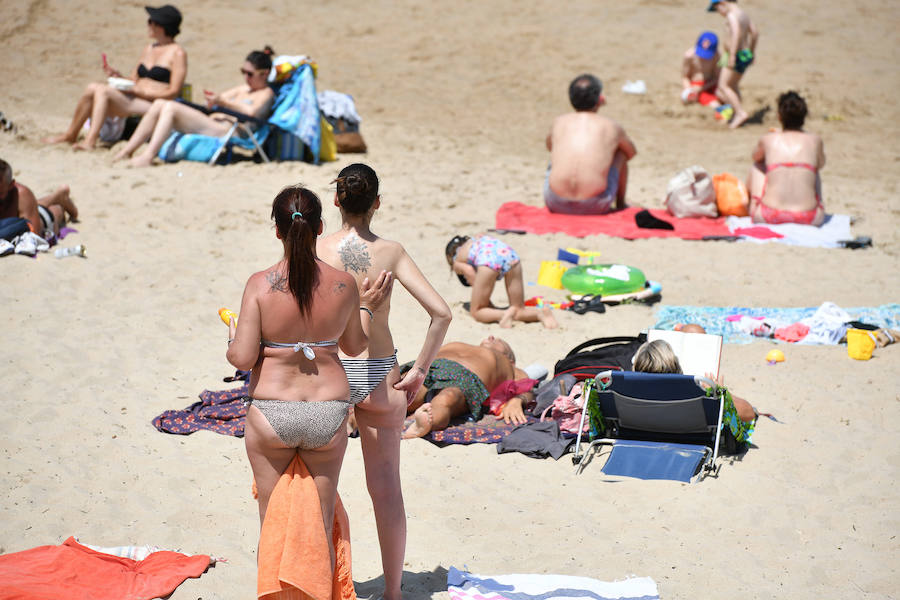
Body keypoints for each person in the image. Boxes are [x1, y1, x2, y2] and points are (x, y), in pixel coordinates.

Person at [226, 185, 391, 575]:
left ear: (278, 231)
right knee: (320, 525)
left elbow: (243, 357)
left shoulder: (260, 284)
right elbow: (353, 346)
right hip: (328, 412)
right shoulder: (342, 284)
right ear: (319, 226)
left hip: (272, 411)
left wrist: (233, 335)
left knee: (272, 524)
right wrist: (367, 307)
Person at [316, 163, 451, 600]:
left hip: (333, 368)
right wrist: (420, 372)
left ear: (336, 200)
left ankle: (322, 586)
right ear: (376, 203)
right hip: (378, 371)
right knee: (386, 487)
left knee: (323, 488)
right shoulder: (390, 252)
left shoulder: (317, 248)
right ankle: (393, 592)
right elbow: (442, 313)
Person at [43, 5, 187, 150]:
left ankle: (90, 141)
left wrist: (141, 93)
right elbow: (134, 80)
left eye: (151, 21)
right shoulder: (149, 48)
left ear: (161, 26)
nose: (148, 25)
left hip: (153, 103)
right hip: (134, 97)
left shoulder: (177, 53)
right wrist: (119, 77)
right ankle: (71, 134)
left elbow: (173, 91)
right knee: (92, 87)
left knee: (103, 91)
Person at [113, 47, 275, 167]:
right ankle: (126, 151)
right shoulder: (243, 89)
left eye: (250, 74)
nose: (245, 77)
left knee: (170, 107)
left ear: (265, 73)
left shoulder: (266, 94)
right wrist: (213, 101)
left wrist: (223, 103)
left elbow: (252, 113)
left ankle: (148, 156)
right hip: (211, 122)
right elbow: (220, 99)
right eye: (243, 72)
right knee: (160, 104)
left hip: (229, 131)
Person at [403, 336, 534, 439]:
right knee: (403, 388)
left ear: (510, 358)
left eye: (500, 341)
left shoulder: (509, 365)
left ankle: (426, 421)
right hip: (429, 367)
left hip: (465, 377)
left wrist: (518, 400)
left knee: (447, 397)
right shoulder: (463, 346)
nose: (491, 336)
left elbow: (526, 387)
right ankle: (388, 407)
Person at [544, 74, 637, 214]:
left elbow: (549, 146)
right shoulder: (611, 126)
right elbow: (631, 153)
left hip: (555, 203)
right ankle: (621, 203)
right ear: (600, 99)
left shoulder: (559, 122)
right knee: (621, 152)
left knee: (558, 150)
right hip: (594, 205)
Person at [445, 234, 557, 329]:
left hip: (489, 260)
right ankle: (540, 313)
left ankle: (503, 315)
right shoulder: (478, 238)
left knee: (477, 312)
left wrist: (480, 298)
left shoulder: (457, 260)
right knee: (518, 309)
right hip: (510, 256)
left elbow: (469, 272)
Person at [746, 91, 826, 226]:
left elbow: (755, 156)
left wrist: (775, 135)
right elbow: (820, 164)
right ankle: (815, 204)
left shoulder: (768, 139)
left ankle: (755, 202)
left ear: (779, 117)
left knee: (758, 166)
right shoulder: (815, 140)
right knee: (813, 169)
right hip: (809, 217)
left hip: (769, 215)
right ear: (804, 117)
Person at [632, 339, 757, 423]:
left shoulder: (628, 392)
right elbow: (749, 413)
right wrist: (719, 394)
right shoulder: (693, 395)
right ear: (676, 367)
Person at [708, 0, 759, 129]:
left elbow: (736, 33)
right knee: (733, 85)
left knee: (723, 86)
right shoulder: (744, 14)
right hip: (744, 54)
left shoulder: (732, 15)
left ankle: (740, 113)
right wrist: (752, 52)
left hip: (735, 55)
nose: (719, 13)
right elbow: (755, 33)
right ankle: (736, 113)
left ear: (722, 3)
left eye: (717, 9)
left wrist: (732, 55)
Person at [0, 159, 79, 240]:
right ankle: (58, 195)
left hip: (43, 222)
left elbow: (34, 236)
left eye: (0, 192)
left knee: (55, 211)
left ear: (11, 185)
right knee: (32, 205)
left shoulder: (21, 194)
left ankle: (62, 200)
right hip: (23, 214)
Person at [681, 31, 721, 106]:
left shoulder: (716, 56)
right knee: (712, 102)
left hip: (710, 83)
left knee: (723, 95)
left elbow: (717, 77)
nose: (703, 58)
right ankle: (721, 111)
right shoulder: (689, 56)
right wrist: (689, 89)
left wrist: (703, 87)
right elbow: (685, 77)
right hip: (695, 84)